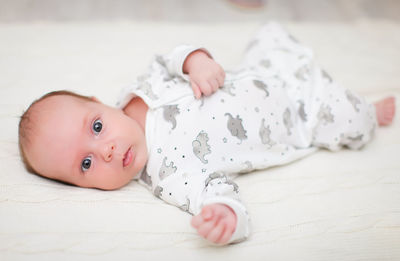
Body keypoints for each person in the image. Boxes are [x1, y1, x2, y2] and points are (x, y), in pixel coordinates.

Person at [18, 23, 395, 246]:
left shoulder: (139, 89)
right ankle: (370, 111)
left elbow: (167, 59)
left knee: (270, 33)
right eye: (85, 164)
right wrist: (225, 215)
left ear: (99, 102)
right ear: (80, 189)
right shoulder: (166, 177)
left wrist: (192, 60)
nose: (107, 151)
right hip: (298, 117)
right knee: (351, 120)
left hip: (259, 73)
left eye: (96, 127)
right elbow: (213, 189)